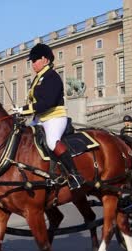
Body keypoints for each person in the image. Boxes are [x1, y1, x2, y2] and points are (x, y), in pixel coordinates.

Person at [12, 43, 84, 190]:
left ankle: (74, 174)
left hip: (54, 117)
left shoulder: (52, 77)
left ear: (44, 59)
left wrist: (23, 110)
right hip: (39, 118)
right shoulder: (39, 78)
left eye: (35, 60)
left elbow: (47, 103)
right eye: (32, 61)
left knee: (51, 142)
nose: (32, 64)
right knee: (24, 139)